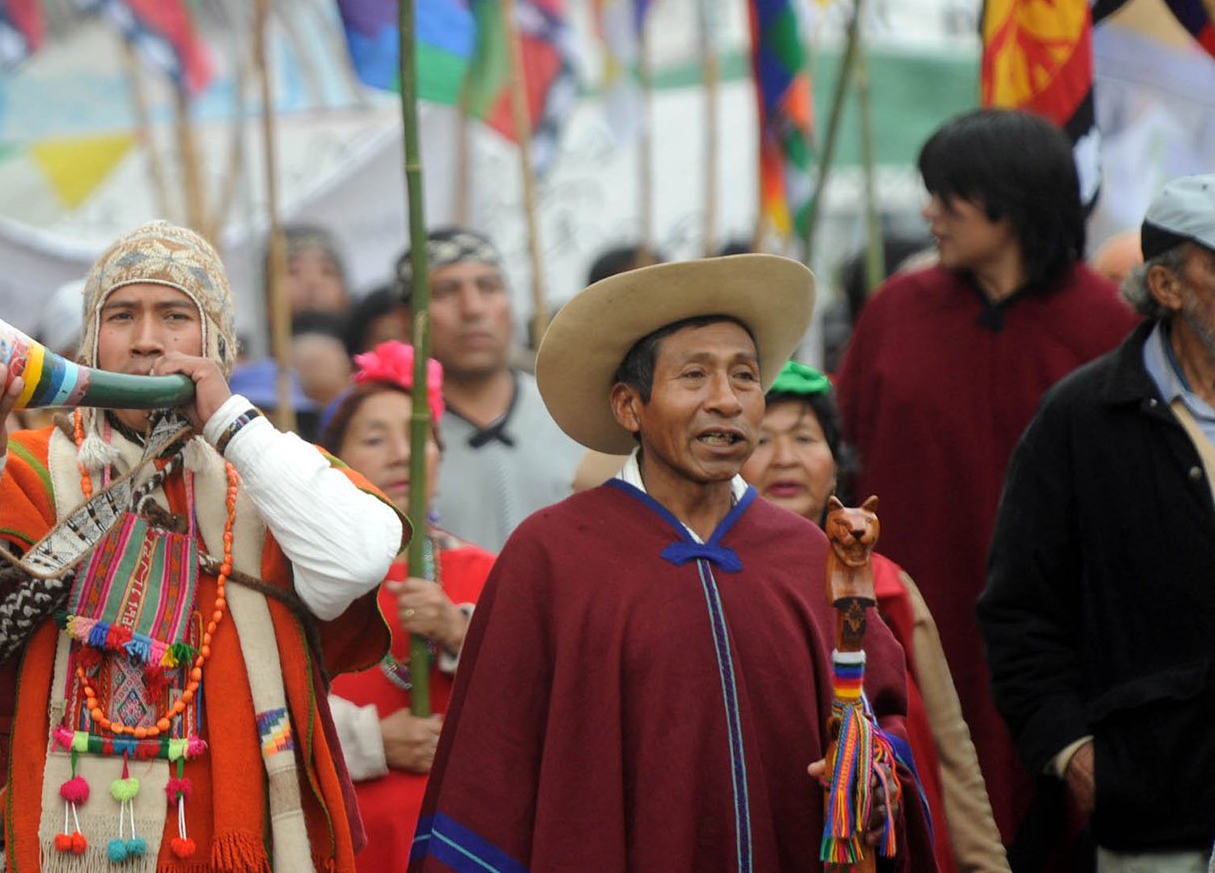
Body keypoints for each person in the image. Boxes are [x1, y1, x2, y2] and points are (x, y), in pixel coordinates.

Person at [0, 220, 403, 873]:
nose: (147, 340)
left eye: (175, 315)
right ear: (92, 343)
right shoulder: (30, 469)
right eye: (122, 315)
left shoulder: (273, 474)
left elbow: (354, 560)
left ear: (217, 344)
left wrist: (229, 421)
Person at [411, 254, 932, 871]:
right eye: (693, 376)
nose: (726, 401)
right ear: (630, 406)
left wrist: (874, 785)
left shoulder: (811, 558)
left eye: (744, 377)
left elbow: (884, 717)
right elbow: (490, 775)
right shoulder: (551, 558)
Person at [836, 109, 1135, 847]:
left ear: (1009, 198)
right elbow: (834, 459)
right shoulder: (896, 313)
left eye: (949, 194)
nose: (929, 212)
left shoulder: (1108, 330)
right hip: (910, 636)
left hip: (1065, 660)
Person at [980, 175, 1215, 871]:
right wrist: (1074, 754)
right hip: (1151, 814)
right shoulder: (1082, 419)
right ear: (1167, 287)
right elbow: (1018, 610)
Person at [744, 362, 1008, 873]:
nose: (784, 460)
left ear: (836, 465)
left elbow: (952, 754)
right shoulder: (722, 591)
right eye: (760, 442)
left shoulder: (886, 588)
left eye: (804, 437)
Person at [321, 342, 495, 873]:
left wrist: (462, 633)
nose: (403, 454)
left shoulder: (489, 572)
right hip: (348, 837)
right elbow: (266, 707)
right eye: (375, 439)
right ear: (333, 460)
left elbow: (542, 702)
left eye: (421, 438)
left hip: (465, 837)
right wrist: (370, 740)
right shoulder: (301, 578)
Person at [404, 227, 586, 551]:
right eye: (445, 291)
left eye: (488, 287)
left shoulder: (576, 413)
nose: (472, 308)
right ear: (407, 319)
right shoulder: (397, 432)